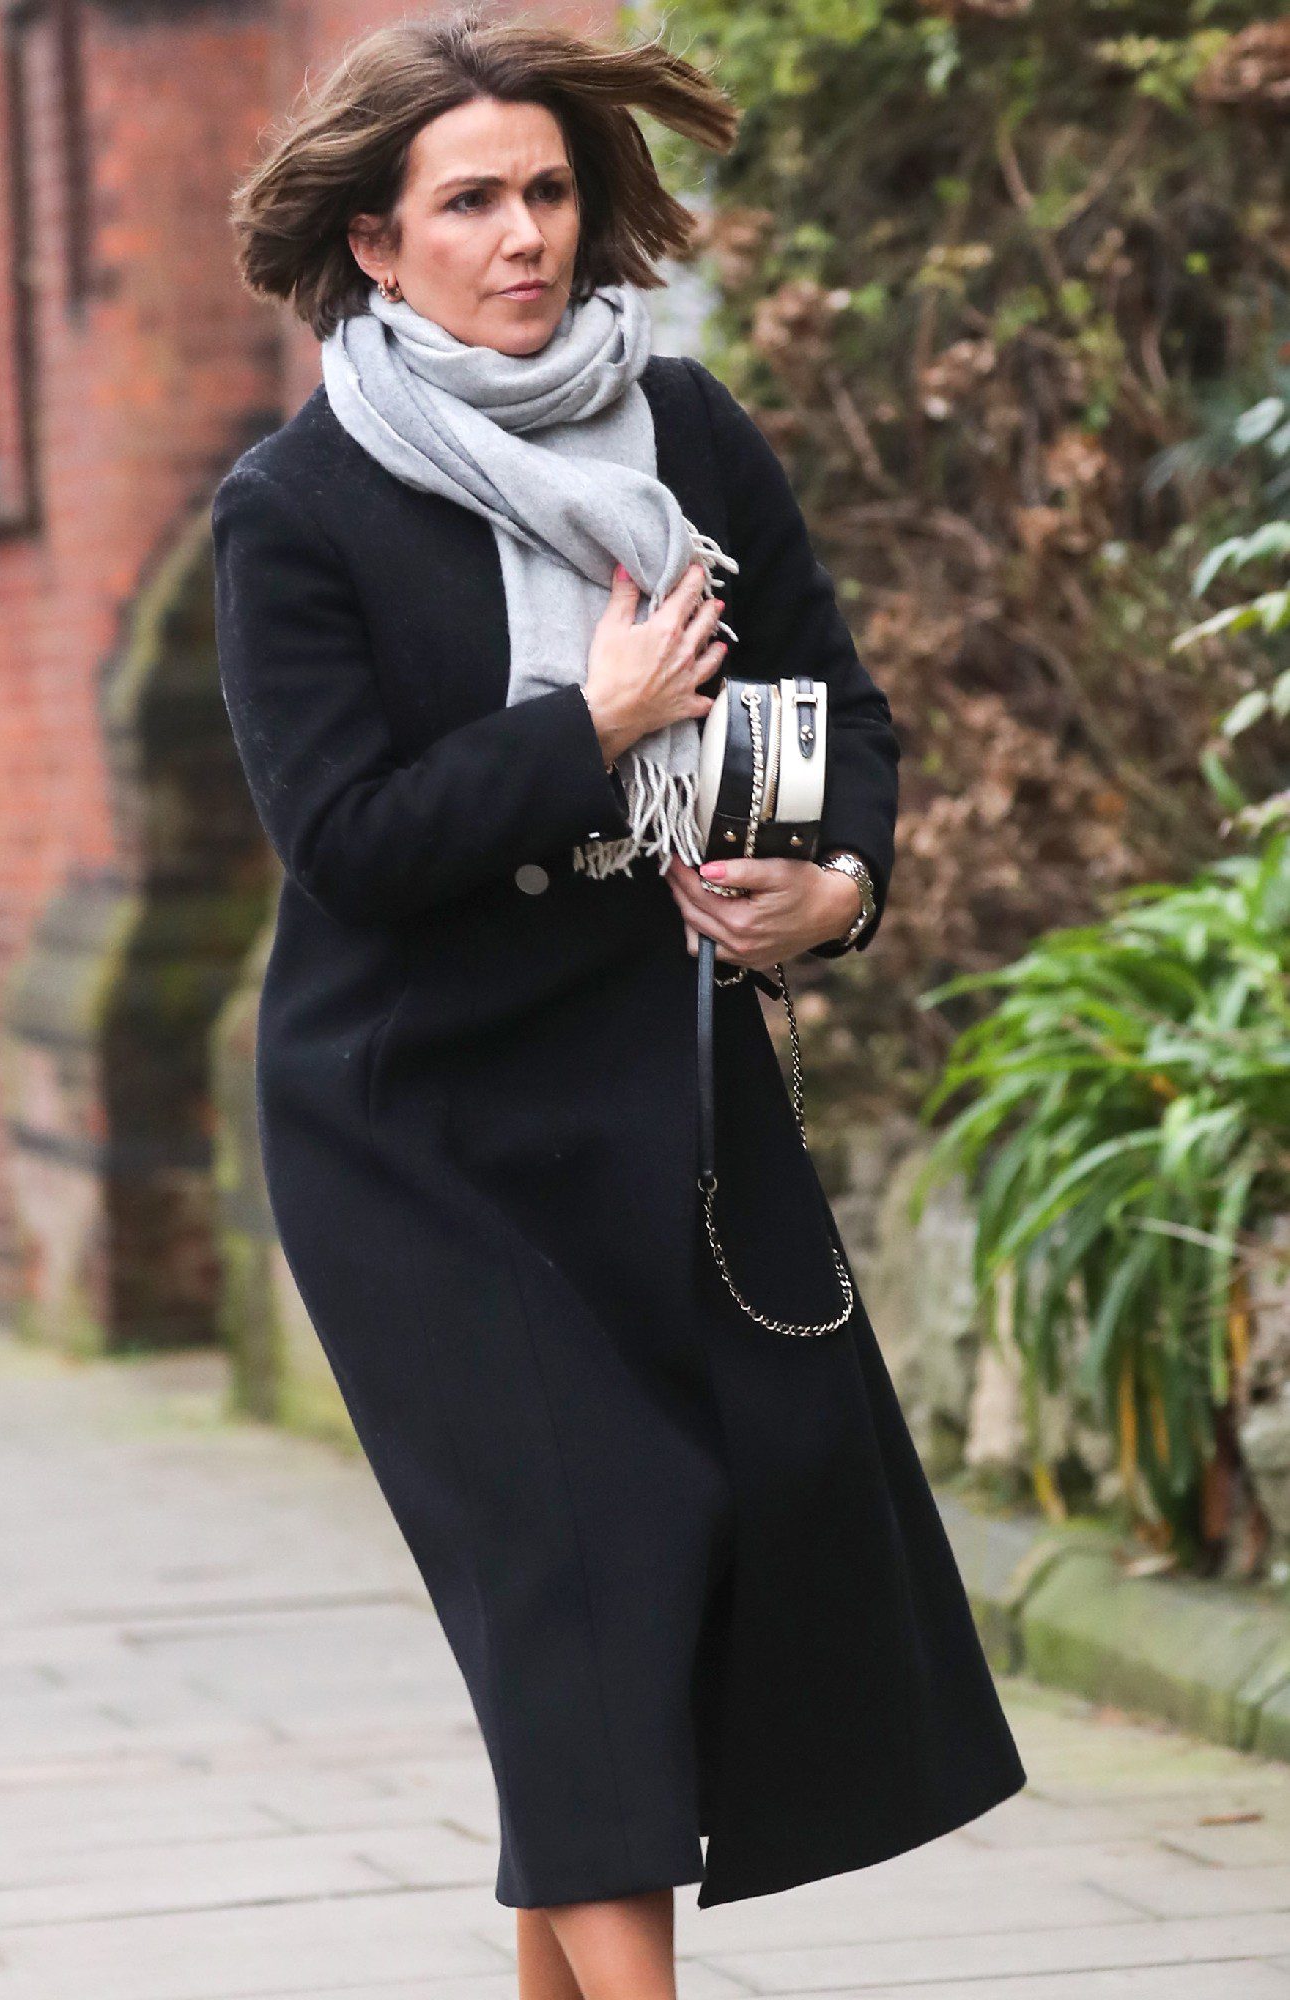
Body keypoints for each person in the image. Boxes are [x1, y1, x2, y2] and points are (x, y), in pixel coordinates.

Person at [211, 9, 1027, 1996]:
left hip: (661, 1099)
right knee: (595, 1554)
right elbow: (353, 844)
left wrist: (827, 887)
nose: (525, 235)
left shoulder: (694, 437)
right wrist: (596, 722)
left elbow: (844, 724)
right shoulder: (295, 510)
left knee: (654, 1560)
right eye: (470, 200)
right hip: (413, 1130)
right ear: (376, 247)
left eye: (549, 189)